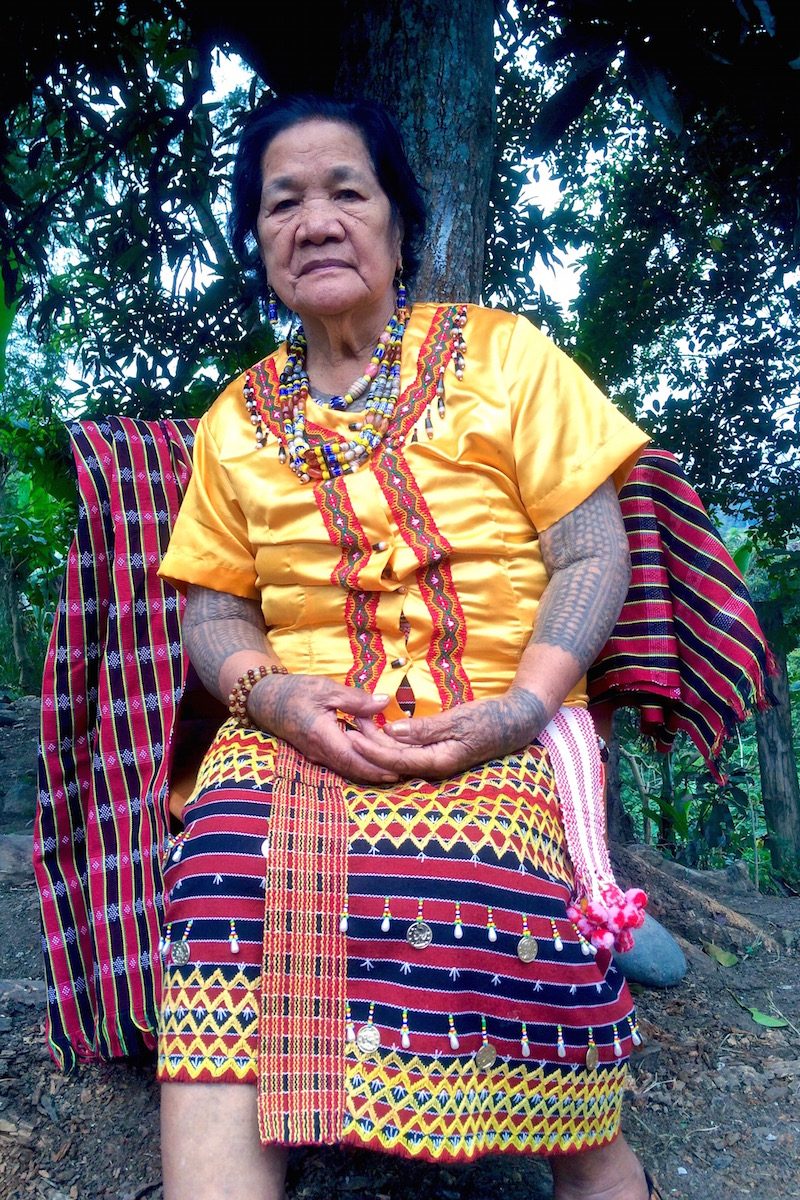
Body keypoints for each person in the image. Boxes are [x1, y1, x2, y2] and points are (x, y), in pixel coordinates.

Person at [156, 93, 657, 1200]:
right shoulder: (231, 423)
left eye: (347, 191)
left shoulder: (504, 357)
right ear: (258, 243)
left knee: (493, 878)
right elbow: (212, 609)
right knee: (227, 858)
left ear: (396, 223)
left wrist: (519, 710)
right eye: (282, 202)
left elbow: (587, 552)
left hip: (499, 717)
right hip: (297, 729)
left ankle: (591, 1160)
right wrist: (275, 698)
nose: (316, 220)